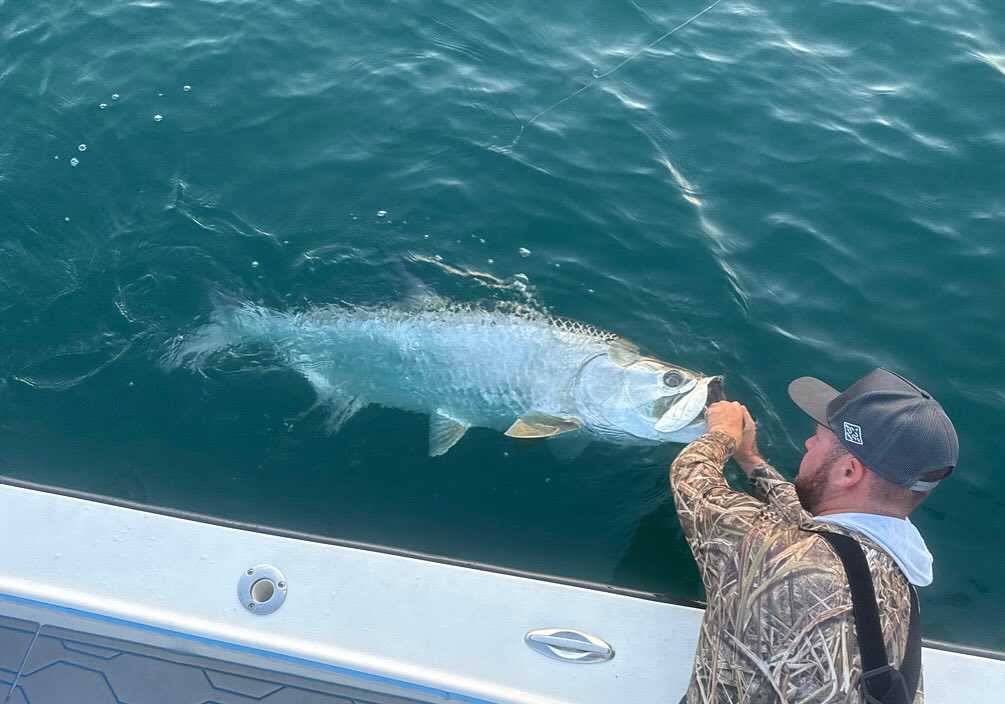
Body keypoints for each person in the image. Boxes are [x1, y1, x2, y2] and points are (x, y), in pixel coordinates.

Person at [670, 368, 957, 704]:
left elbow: (690, 480)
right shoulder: (902, 581)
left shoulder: (771, 554)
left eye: (819, 438)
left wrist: (722, 434)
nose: (808, 442)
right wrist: (750, 460)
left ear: (849, 471)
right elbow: (815, 526)